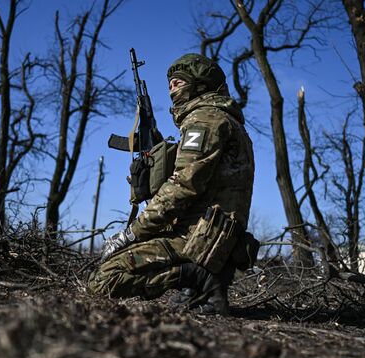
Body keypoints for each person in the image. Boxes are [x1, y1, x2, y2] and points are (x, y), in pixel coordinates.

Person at [88, 53, 255, 315]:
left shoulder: (205, 120)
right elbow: (198, 185)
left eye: (180, 82)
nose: (172, 88)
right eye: (170, 83)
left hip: (197, 239)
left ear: (201, 84)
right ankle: (198, 287)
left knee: (104, 279)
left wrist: (132, 233)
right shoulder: (222, 119)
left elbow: (182, 186)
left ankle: (198, 277)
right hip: (211, 236)